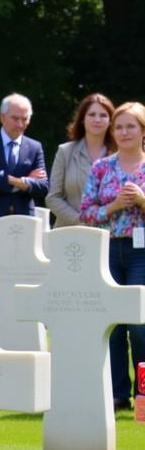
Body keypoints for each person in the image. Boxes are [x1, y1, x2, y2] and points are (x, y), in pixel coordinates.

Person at [79, 101, 145, 410]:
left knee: (139, 324)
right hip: (107, 249)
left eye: (131, 126)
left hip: (141, 252)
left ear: (142, 130)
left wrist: (142, 202)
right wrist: (114, 206)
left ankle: (143, 391)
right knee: (113, 325)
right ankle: (119, 393)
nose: (123, 132)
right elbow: (86, 213)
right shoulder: (101, 167)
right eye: (118, 127)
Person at [0, 93, 48, 253]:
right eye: (15, 118)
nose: (20, 124)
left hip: (24, 226)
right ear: (2, 117)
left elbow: (43, 186)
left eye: (25, 119)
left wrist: (5, 180)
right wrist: (19, 181)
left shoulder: (34, 147)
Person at [46, 93, 115, 228]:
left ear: (111, 121)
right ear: (82, 119)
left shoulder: (120, 155)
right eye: (92, 114)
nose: (97, 119)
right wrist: (80, 221)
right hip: (69, 233)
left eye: (103, 115)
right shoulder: (65, 152)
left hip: (110, 235)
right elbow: (53, 198)